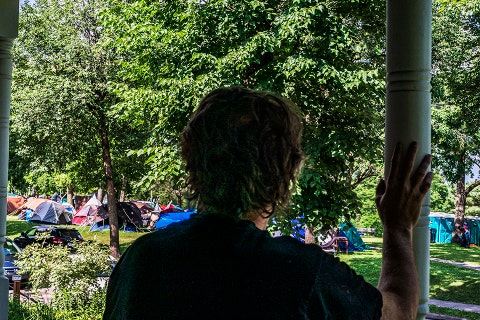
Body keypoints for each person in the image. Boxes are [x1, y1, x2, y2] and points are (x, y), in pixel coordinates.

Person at [103, 87, 432, 320]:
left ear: (192, 162)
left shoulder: (139, 261)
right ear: (285, 173)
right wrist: (398, 227)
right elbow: (399, 311)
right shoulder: (300, 272)